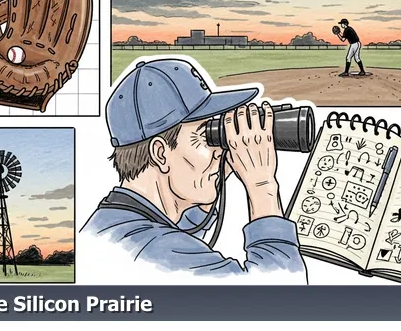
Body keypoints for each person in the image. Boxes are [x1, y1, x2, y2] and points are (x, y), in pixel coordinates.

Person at [80, 58, 307, 280]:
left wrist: (211, 184)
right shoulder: (153, 249)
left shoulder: (115, 223)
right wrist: (261, 185)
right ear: (160, 153)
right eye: (205, 135)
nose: (219, 149)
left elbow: (178, 235)